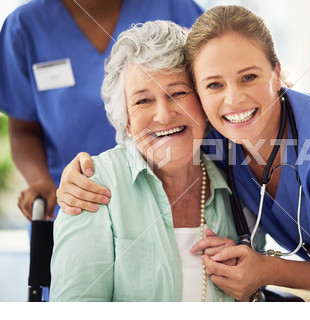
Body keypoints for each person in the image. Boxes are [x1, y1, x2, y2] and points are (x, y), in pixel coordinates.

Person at [56, 5, 310, 302]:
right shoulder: (220, 140)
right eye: (213, 84)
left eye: (249, 77)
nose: (233, 99)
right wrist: (78, 175)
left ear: (278, 73)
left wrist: (266, 270)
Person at [50, 20, 247, 302]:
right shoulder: (91, 186)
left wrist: (246, 289)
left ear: (204, 102)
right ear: (127, 121)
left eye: (178, 93)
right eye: (143, 101)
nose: (164, 115)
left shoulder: (236, 185)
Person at [0, 0, 202, 221]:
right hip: (76, 200)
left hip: (175, 197)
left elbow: (213, 87)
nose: (162, 114)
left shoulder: (173, 7)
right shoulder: (24, 27)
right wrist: (40, 181)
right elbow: (23, 129)